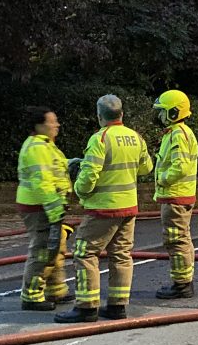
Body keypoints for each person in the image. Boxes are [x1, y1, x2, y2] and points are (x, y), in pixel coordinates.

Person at [55, 94, 153, 323]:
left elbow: (88, 177)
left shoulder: (100, 139)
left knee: (85, 253)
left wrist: (79, 189)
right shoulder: (135, 137)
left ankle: (87, 307)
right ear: (122, 114)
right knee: (121, 255)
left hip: (102, 209)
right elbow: (146, 168)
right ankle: (117, 306)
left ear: (99, 116)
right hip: (129, 207)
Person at [16, 106, 74, 311]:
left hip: (46, 207)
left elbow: (55, 167)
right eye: (52, 121)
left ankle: (56, 290)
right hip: (40, 208)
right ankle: (31, 295)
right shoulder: (37, 148)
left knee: (56, 247)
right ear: (39, 125)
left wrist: (72, 163)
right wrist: (55, 210)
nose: (56, 125)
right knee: (43, 251)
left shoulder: (44, 145)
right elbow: (43, 182)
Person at [151, 90, 198, 300]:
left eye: (162, 112)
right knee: (182, 239)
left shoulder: (179, 134)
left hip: (175, 196)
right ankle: (184, 282)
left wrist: (162, 179)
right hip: (180, 196)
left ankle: (181, 285)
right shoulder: (181, 132)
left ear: (173, 112)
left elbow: (180, 166)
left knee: (175, 241)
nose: (160, 116)